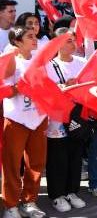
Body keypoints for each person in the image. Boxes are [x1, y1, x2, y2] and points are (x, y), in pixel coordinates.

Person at [2, 26, 47, 218]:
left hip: (38, 119)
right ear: (17, 42)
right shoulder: (9, 61)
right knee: (11, 164)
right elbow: (5, 91)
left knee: (36, 163)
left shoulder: (40, 61)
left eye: (35, 36)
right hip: (16, 119)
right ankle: (10, 205)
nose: (34, 39)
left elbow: (49, 86)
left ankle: (29, 201)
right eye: (30, 37)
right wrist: (20, 88)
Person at [44, 28, 88, 213]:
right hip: (57, 119)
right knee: (58, 157)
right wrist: (63, 87)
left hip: (77, 117)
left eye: (74, 40)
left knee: (75, 155)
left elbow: (90, 85)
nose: (73, 43)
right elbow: (46, 91)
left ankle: (72, 191)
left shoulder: (82, 62)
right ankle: (57, 195)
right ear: (58, 44)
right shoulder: (49, 65)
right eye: (68, 40)